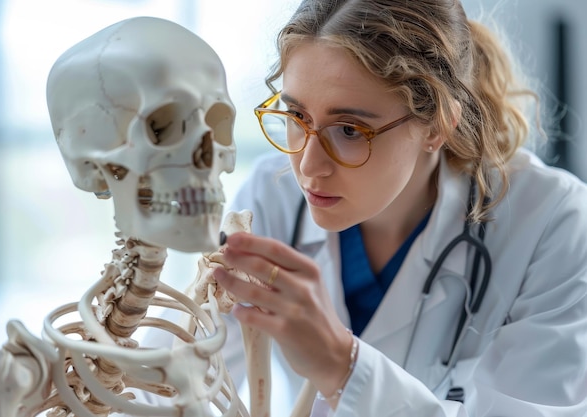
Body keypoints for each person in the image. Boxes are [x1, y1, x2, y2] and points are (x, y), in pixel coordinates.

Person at [207, 0, 587, 416]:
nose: (308, 165)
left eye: (350, 130)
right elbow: (182, 382)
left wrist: (344, 367)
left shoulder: (554, 222)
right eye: (296, 116)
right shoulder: (270, 196)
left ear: (439, 124)